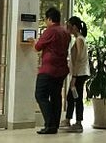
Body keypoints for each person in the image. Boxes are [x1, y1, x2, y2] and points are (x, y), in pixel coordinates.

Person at [32, 7, 70, 135]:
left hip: (48, 69)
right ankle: (55, 125)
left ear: (49, 19)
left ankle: (49, 124)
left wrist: (34, 42)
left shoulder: (50, 31)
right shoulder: (65, 32)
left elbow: (38, 47)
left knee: (40, 95)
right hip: (62, 69)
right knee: (56, 97)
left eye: (46, 19)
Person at [62, 15, 89, 132]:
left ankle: (78, 122)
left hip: (80, 73)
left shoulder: (79, 40)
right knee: (71, 97)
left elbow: (78, 59)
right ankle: (68, 119)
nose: (68, 28)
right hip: (79, 73)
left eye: (69, 26)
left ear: (74, 27)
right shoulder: (79, 39)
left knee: (76, 98)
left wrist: (74, 77)